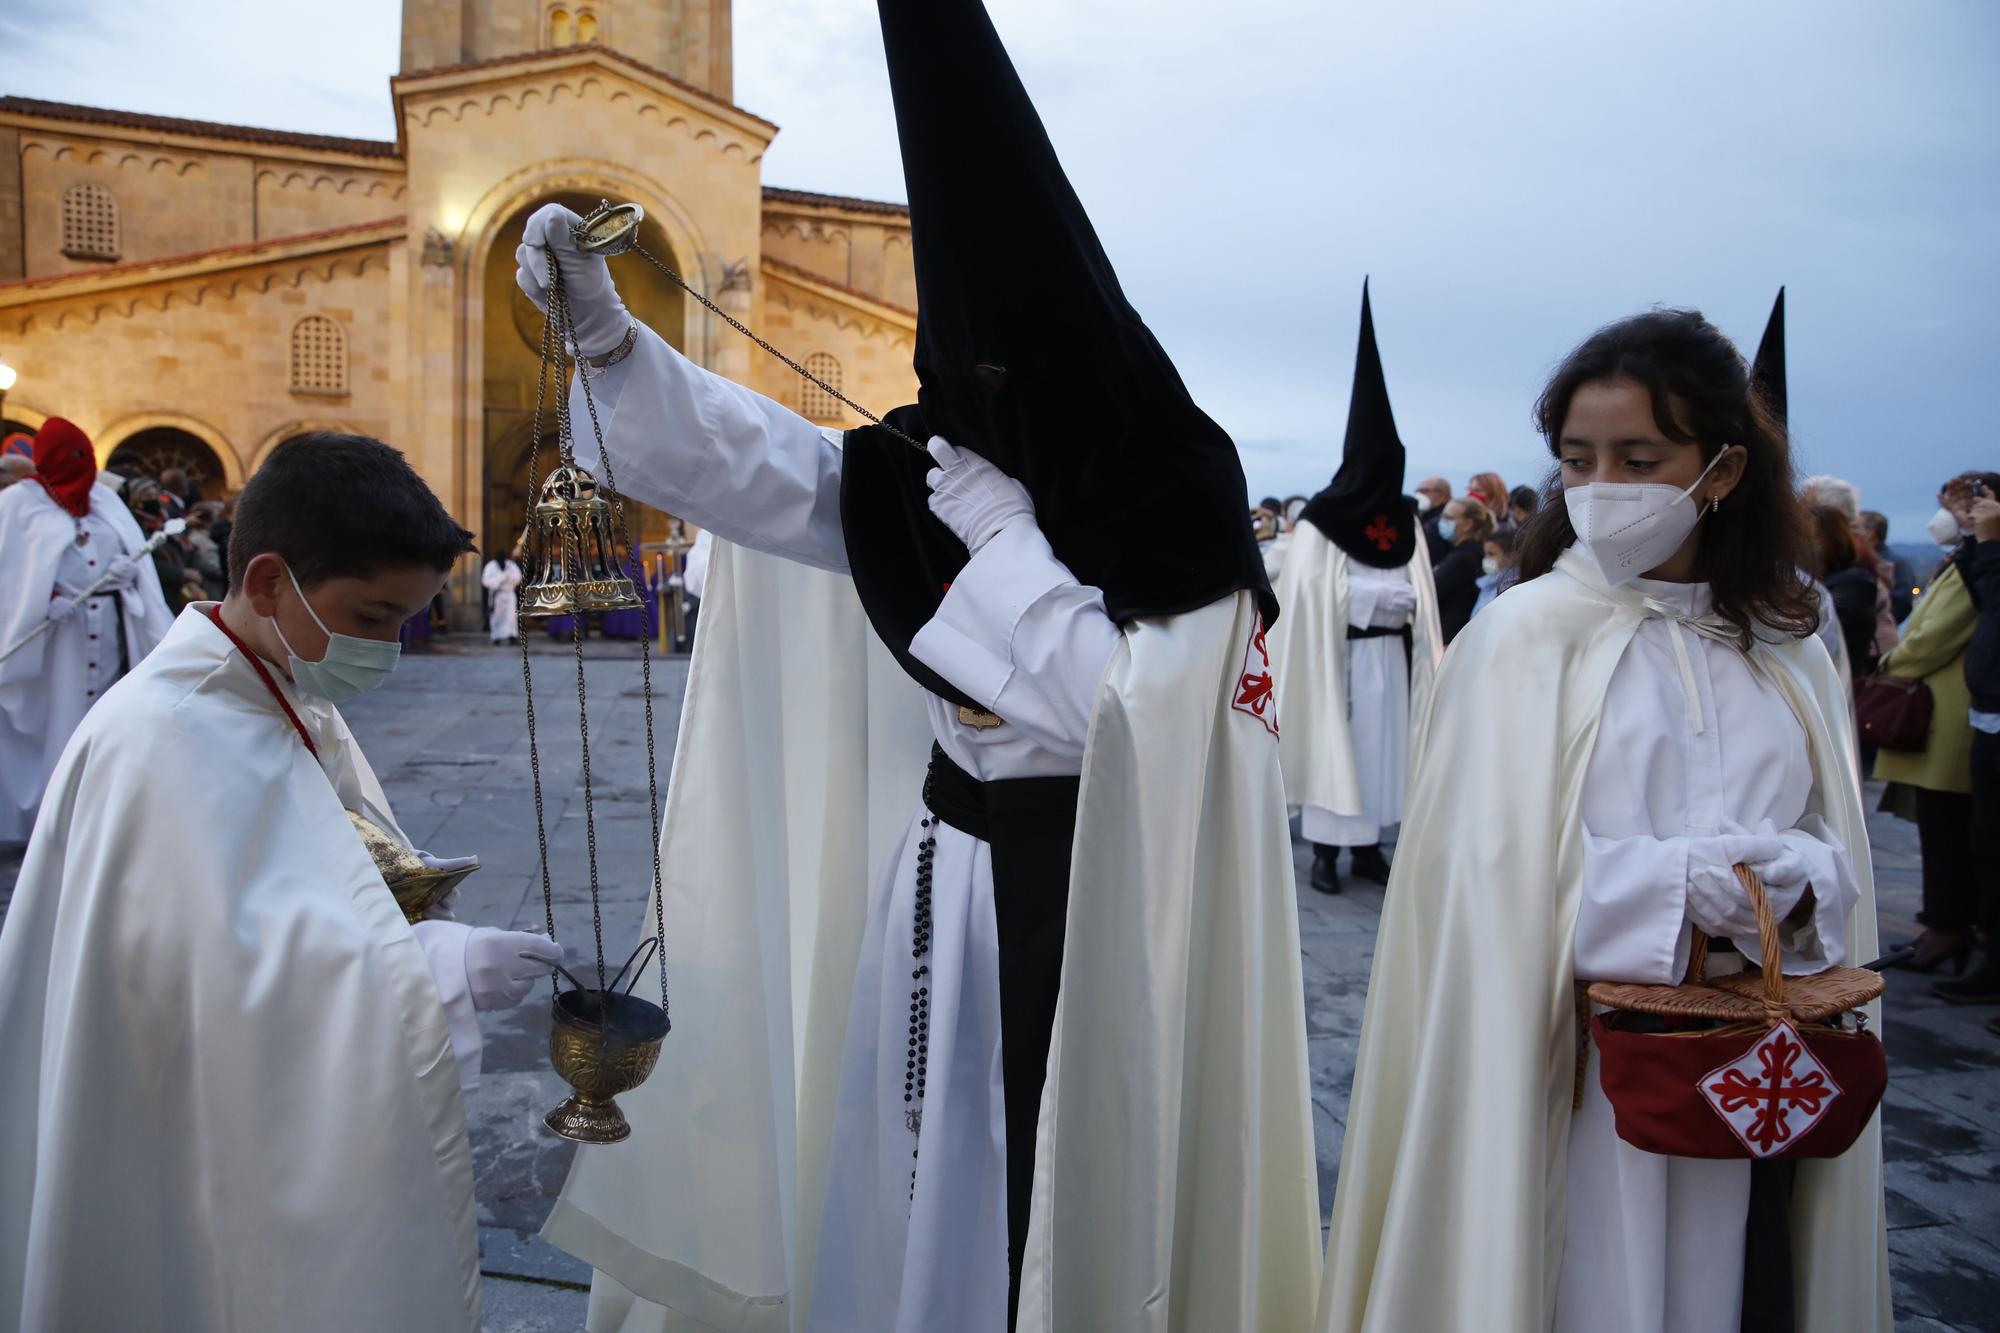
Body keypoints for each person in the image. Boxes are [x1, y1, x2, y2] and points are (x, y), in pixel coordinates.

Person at [527, 2, 1320, 1328]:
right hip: (947, 881)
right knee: (920, 1166)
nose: (967, 409)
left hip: (1104, 902)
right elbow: (777, 473)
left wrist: (1012, 554)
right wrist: (613, 345)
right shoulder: (939, 464)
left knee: (1052, 1196)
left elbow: (1128, 720)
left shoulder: (1173, 495)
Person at [1319, 308, 1887, 1333]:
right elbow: (1480, 886)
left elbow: (1833, 837)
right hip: (1571, 1079)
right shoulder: (1523, 637)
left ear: (1719, 469)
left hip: (1751, 1051)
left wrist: (1795, 877)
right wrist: (1678, 889)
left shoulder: (1788, 637)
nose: (1600, 489)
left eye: (1638, 456)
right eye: (1576, 460)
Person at [0, 432, 562, 1330]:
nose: (390, 647)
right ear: (268, 583)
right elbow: (218, 986)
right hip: (166, 1152)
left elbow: (293, 877)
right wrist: (437, 968)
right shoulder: (157, 738)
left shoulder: (279, 687)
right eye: (374, 618)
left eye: (407, 623)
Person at [1270, 284, 1444, 896]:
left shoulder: (1405, 520)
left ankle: (1368, 848)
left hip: (1391, 660)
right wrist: (1373, 602)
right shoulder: (1323, 518)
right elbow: (1310, 597)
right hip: (1340, 661)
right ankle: (1325, 852)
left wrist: (1408, 609)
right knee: (1337, 748)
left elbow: (1417, 585)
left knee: (1383, 755)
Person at [0, 419, 174, 843]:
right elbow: (11, 577)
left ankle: (99, 809)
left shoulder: (106, 503)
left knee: (104, 722)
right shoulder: (16, 506)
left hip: (111, 632)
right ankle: (46, 816)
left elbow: (139, 570)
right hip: (54, 643)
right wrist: (43, 600)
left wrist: (127, 573)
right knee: (57, 721)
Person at [1876, 474, 1990, 974]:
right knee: (1942, 830)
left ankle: (1950, 928)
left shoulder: (1976, 565)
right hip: (1945, 712)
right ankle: (1945, 924)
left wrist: (1890, 666)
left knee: (1950, 832)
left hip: (1948, 716)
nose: (1950, 514)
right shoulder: (1966, 561)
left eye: (1962, 505)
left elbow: (1932, 635)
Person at [1936, 483, 2000, 1019]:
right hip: (1989, 721)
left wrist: (1990, 543)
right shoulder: (1985, 553)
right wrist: (1975, 539)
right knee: (1985, 848)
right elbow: (1985, 596)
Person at [1810, 504, 1877, 675]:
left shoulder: (1855, 582)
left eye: (1811, 535)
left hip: (1844, 678)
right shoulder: (1813, 580)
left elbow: (1824, 629)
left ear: (1830, 538)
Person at [1432, 493, 1495, 642]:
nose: (1442, 522)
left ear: (1468, 524)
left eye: (1449, 518)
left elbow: (1433, 589)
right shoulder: (1469, 551)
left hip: (1450, 636)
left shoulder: (1463, 558)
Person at [1857, 510, 1915, 623]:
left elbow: (1902, 604)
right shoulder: (1896, 563)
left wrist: (1877, 623)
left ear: (1870, 533)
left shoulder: (1895, 564)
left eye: (1855, 527)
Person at [1472, 525, 1520, 619]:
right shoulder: (1489, 582)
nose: (1486, 559)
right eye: (1485, 554)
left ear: (1512, 556)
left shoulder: (1514, 587)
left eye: (1491, 554)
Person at [481, 545, 523, 644]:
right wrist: (500, 578)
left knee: (511, 617)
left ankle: (512, 636)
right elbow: (485, 581)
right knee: (496, 617)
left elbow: (518, 578)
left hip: (509, 595)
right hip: (497, 596)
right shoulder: (491, 566)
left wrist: (509, 577)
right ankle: (497, 637)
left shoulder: (510, 565)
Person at [1415, 473, 1452, 562]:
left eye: (1424, 491)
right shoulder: (1420, 517)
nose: (1419, 495)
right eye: (1417, 491)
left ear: (1442, 495)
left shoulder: (1447, 519)